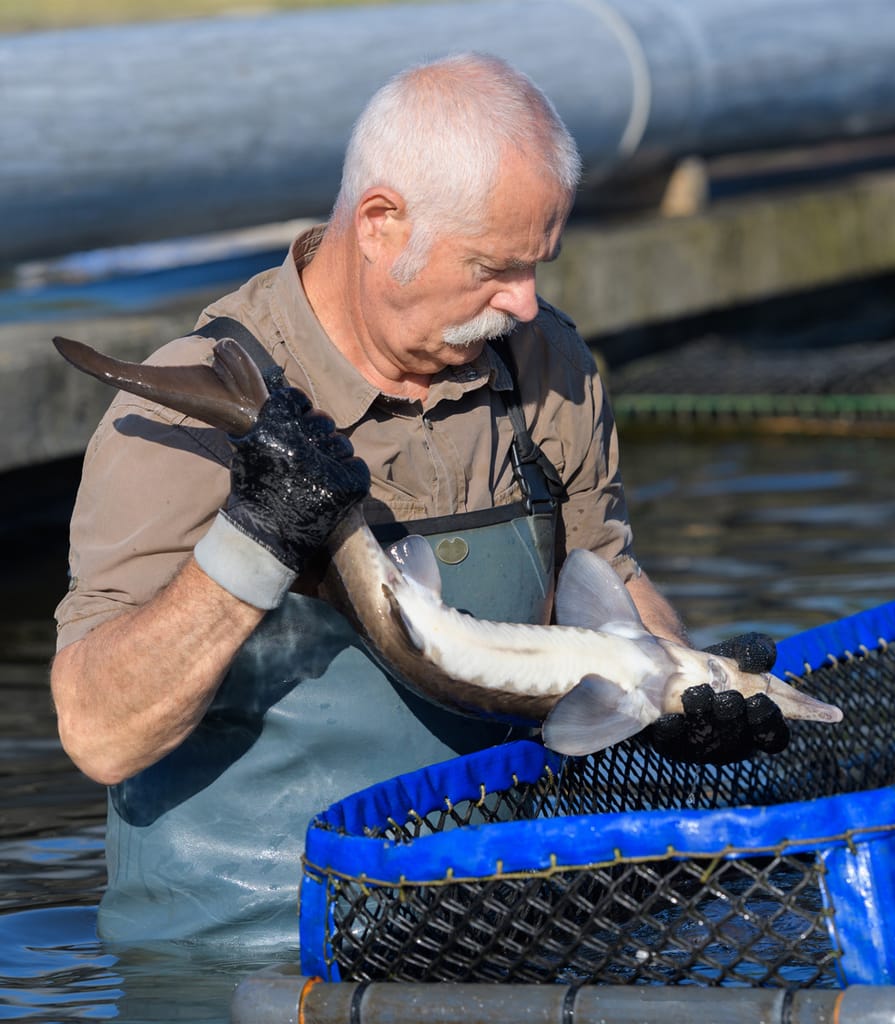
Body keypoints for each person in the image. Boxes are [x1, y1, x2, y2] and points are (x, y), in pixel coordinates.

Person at [50, 53, 785, 949]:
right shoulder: (181, 406)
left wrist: (676, 690)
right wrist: (257, 537)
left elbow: (610, 574)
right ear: (381, 224)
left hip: (498, 917)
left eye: (539, 264)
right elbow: (98, 734)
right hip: (251, 948)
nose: (524, 302)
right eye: (493, 268)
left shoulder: (544, 364)